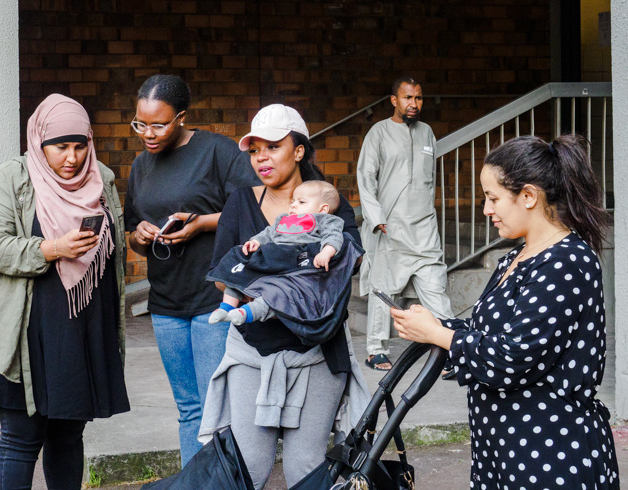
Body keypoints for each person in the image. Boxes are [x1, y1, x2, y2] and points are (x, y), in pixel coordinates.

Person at [392, 134, 619, 489]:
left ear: (529, 196)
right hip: (504, 448)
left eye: (493, 198)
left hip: (549, 452)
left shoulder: (567, 261)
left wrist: (441, 335)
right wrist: (435, 326)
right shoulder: (514, 259)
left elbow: (513, 356)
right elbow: (493, 334)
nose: (486, 209)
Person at [199, 104, 369, 490]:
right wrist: (294, 276)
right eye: (255, 149)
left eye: (273, 146)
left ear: (298, 150)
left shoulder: (331, 209)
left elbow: (341, 276)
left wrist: (262, 271)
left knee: (305, 466)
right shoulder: (241, 202)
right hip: (250, 353)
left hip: (316, 356)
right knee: (248, 467)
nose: (262, 157)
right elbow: (222, 278)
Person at [0, 94, 129, 490]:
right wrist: (52, 249)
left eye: (81, 146)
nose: (73, 157)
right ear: (39, 141)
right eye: (61, 147)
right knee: (20, 439)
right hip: (26, 332)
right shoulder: (12, 177)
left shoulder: (103, 179)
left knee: (67, 437)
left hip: (82, 330)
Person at [124, 74, 258, 466]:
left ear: (181, 117)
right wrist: (140, 236)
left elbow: (250, 210)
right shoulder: (140, 166)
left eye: (158, 124)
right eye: (140, 123)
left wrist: (201, 223)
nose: (148, 133)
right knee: (188, 410)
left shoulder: (217, 151)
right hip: (165, 302)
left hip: (212, 298)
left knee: (217, 409)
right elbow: (132, 231)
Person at [357, 76, 454, 372]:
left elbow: (430, 182)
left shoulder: (427, 133)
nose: (414, 104)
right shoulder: (379, 132)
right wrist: (376, 218)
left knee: (436, 292)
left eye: (419, 98)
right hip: (391, 228)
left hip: (424, 229)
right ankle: (376, 350)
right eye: (408, 98)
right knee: (384, 291)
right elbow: (365, 177)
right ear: (394, 100)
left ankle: (454, 350)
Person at [209, 180, 346, 325]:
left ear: (323, 209)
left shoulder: (327, 220)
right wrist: (255, 242)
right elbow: (268, 233)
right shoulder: (283, 219)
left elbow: (334, 236)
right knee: (241, 270)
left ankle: (247, 313)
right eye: (293, 201)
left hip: (296, 262)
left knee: (278, 292)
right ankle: (226, 307)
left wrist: (326, 252)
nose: (293, 205)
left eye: (301, 202)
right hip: (272, 258)